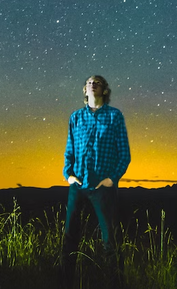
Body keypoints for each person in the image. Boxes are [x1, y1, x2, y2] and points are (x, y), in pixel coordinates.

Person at [62, 74, 131, 283]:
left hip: (103, 186)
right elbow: (69, 151)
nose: (92, 85)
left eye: (97, 83)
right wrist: (69, 175)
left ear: (105, 90)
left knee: (109, 239)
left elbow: (124, 153)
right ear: (85, 90)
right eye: (89, 83)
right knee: (69, 238)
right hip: (78, 184)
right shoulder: (75, 117)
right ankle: (65, 282)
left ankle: (115, 282)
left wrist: (112, 178)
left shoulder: (114, 116)